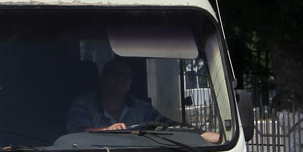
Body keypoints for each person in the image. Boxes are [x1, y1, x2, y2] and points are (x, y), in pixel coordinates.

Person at [66, 57, 220, 142]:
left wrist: (208, 136)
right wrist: (107, 131)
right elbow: (77, 131)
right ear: (102, 77)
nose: (120, 79)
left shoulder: (142, 109)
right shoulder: (83, 104)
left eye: (125, 76)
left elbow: (171, 127)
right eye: (114, 74)